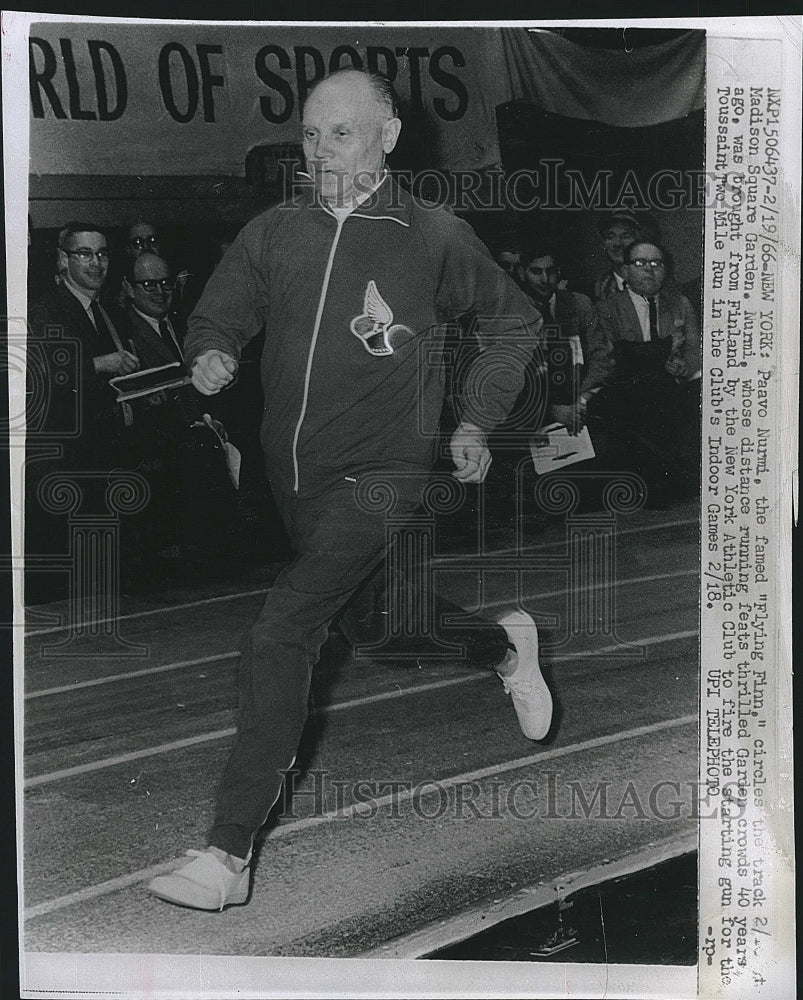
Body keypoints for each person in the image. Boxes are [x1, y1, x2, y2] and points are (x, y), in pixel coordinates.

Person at [148, 69, 554, 912]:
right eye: (309, 135)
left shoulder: (433, 235)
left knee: (284, 626)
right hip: (291, 476)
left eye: (342, 133)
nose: (322, 151)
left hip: (386, 470)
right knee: (378, 626)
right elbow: (217, 313)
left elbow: (516, 324)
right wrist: (212, 350)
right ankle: (502, 647)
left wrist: (475, 418)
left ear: (389, 137)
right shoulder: (274, 230)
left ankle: (228, 852)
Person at [593, 241, 701, 505]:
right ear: (625, 270)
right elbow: (614, 356)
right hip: (632, 394)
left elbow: (694, 348)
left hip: (675, 389)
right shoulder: (608, 308)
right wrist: (659, 355)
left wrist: (685, 365)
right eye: (640, 263)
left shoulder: (680, 304)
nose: (650, 270)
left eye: (657, 263)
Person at [515, 245, 613, 435]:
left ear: (558, 272)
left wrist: (581, 401)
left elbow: (600, 356)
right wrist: (551, 409)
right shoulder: (513, 314)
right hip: (535, 419)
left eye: (550, 271)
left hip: (584, 408)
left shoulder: (579, 304)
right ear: (522, 273)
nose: (545, 279)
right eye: (536, 271)